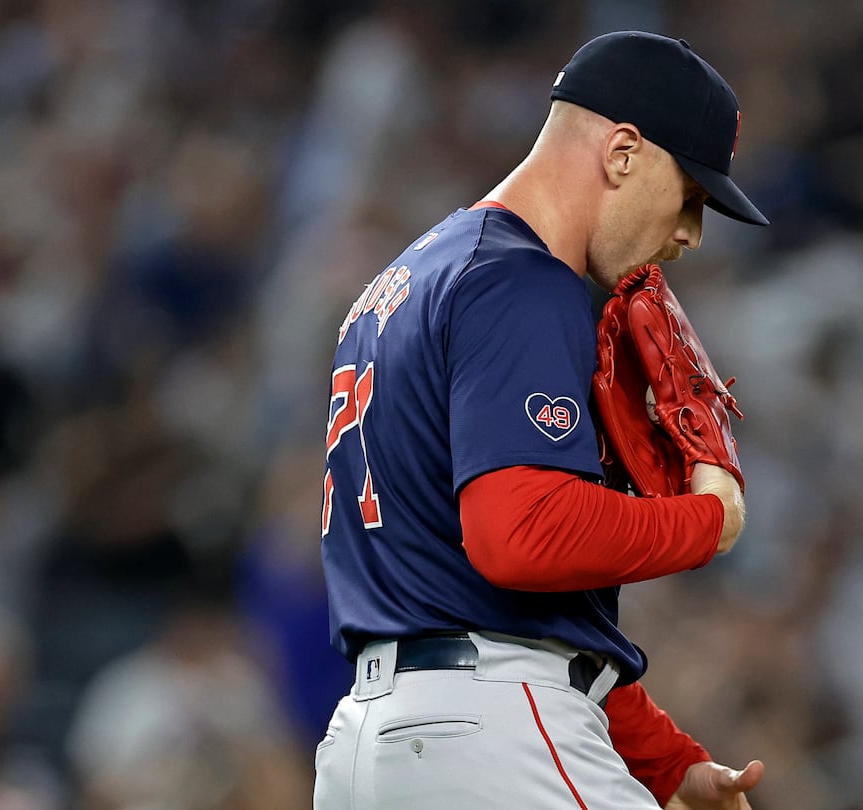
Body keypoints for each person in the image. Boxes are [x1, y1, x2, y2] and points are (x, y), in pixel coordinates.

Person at [313, 31, 767, 809]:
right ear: (623, 153)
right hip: (488, 739)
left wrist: (662, 761)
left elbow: (493, 602)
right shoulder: (523, 281)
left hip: (371, 747)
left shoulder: (408, 278)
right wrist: (705, 523)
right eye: (691, 196)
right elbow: (518, 536)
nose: (691, 232)